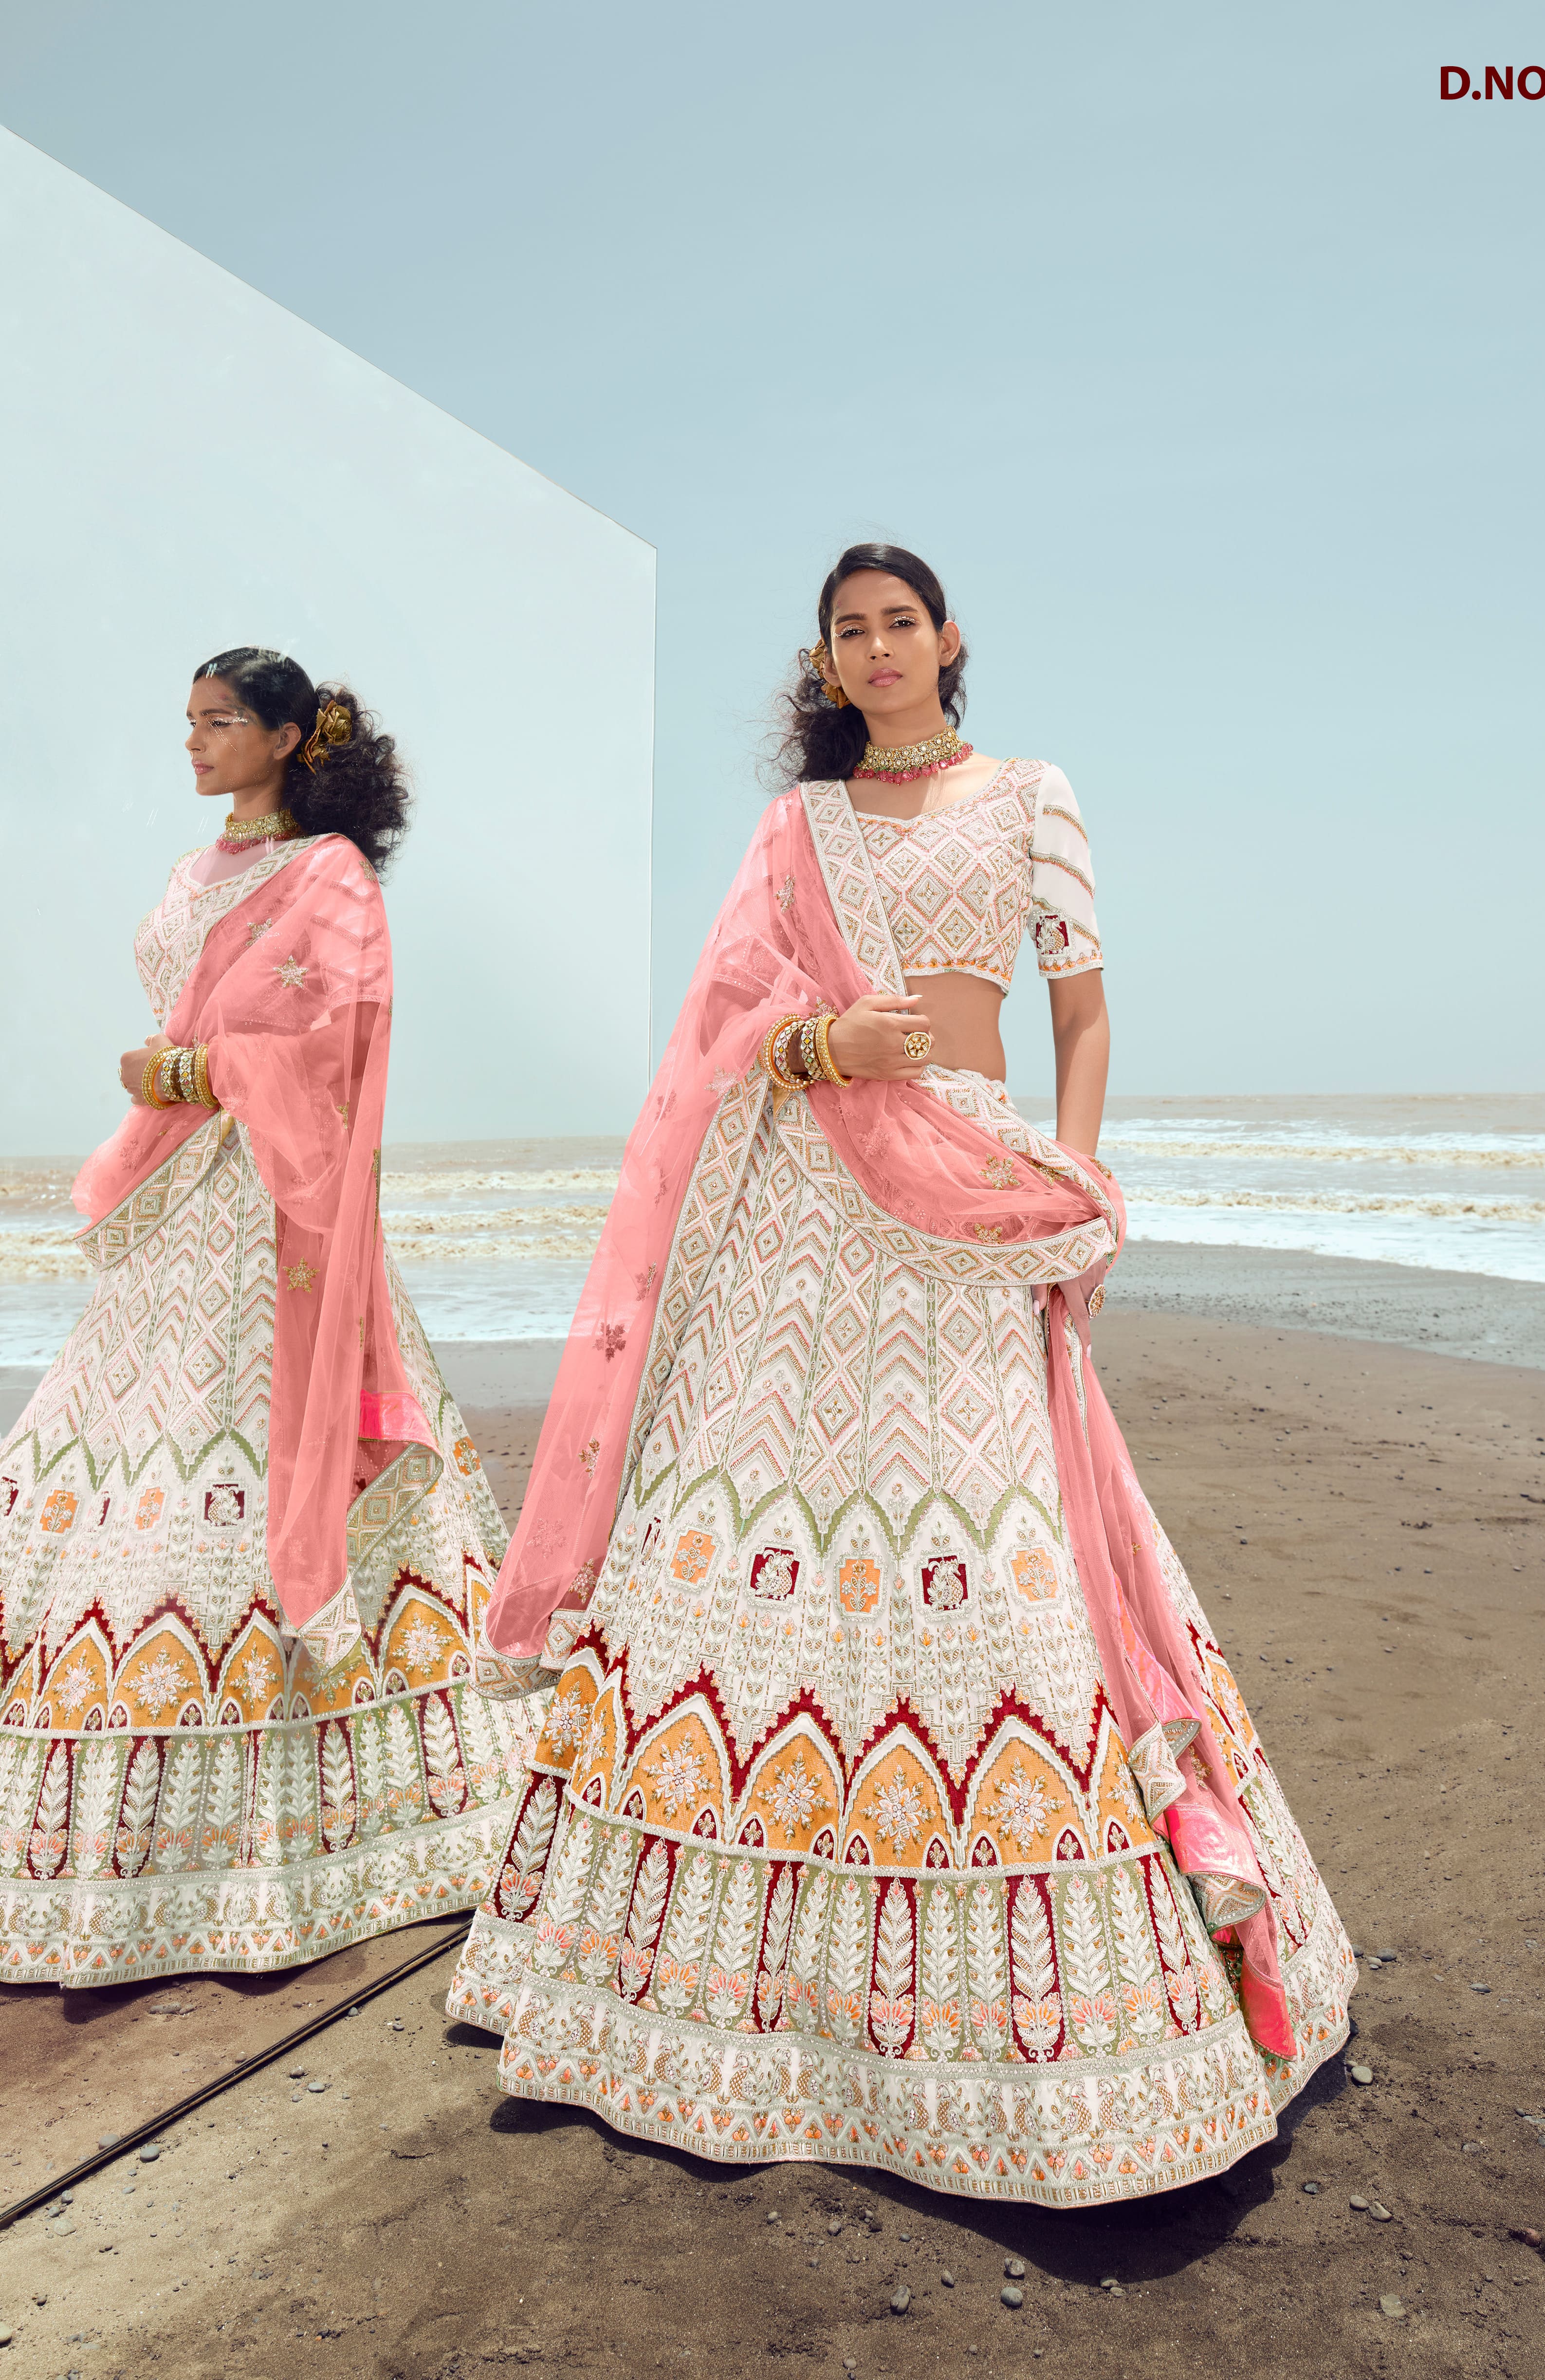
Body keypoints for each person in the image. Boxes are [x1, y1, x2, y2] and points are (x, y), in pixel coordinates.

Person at [452, 548, 1354, 2202]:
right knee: (770, 1540)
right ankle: (696, 1990)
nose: (876, 650)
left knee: (998, 1550)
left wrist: (1072, 1182)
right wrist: (819, 1048)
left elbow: (1081, 1012)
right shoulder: (795, 831)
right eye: (846, 631)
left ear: (949, 641)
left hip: (973, 1185)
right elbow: (726, 1033)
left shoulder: (1030, 792)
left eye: (899, 624)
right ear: (828, 659)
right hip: (810, 1210)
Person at [0, 648, 541, 1984]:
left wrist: (187, 1068)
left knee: (250, 1461)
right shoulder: (196, 874)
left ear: (290, 737)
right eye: (186, 720)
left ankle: (334, 1828)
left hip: (275, 1214)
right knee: (121, 1465)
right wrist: (177, 1079)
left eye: (221, 722)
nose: (195, 742)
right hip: (181, 1202)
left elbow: (336, 1046)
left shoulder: (333, 877)